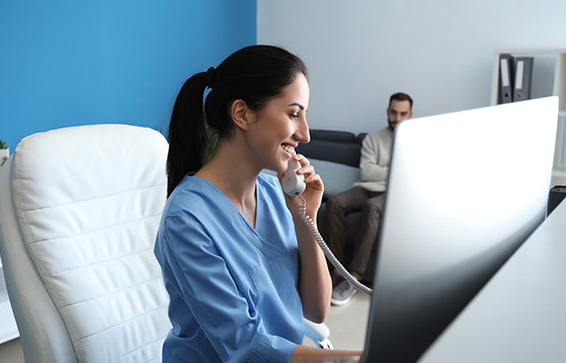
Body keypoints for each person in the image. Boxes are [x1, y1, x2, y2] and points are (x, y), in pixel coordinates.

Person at [154, 45, 362, 362]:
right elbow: (246, 348)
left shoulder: (274, 193)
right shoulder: (187, 221)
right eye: (294, 114)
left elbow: (315, 311)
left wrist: (306, 218)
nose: (305, 134)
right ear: (242, 114)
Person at [326, 92, 414, 306]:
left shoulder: (415, 138)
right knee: (335, 203)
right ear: (387, 111)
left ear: (410, 114)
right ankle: (337, 269)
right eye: (393, 112)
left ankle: (354, 277)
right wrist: (396, 168)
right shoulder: (373, 138)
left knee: (371, 207)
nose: (397, 117)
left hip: (393, 191)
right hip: (366, 187)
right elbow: (367, 172)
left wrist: (386, 170)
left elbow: (410, 174)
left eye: (403, 113)